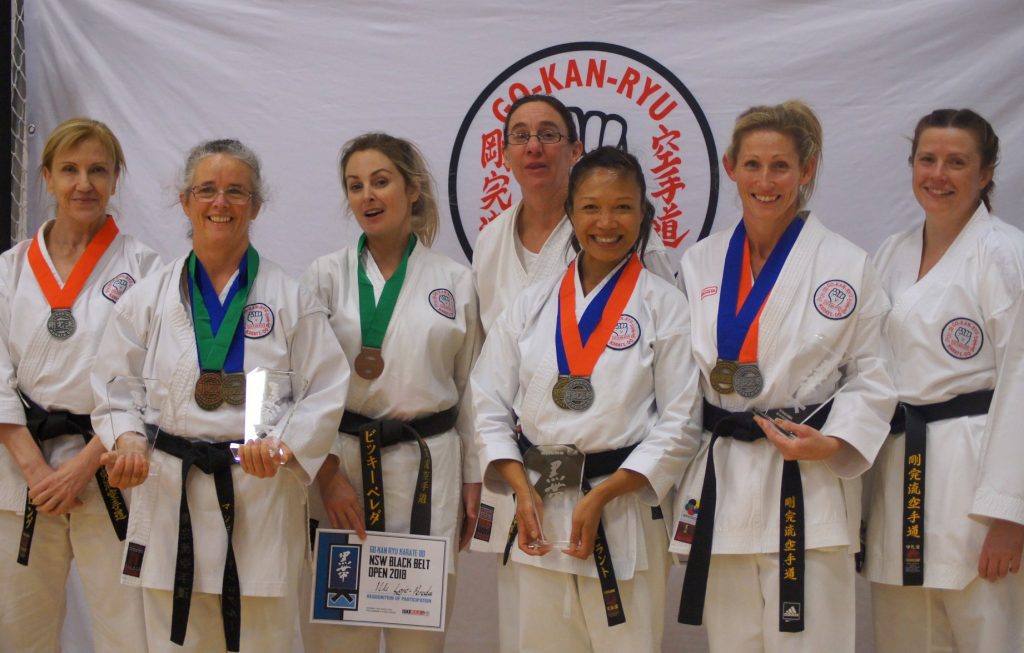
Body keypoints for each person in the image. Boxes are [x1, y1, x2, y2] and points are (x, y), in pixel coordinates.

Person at [91, 139, 347, 653]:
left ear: (255, 205)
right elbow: (114, 387)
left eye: (236, 191)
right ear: (185, 201)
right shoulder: (148, 297)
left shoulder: (290, 297)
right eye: (207, 190)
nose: (220, 203)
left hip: (258, 494)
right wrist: (129, 442)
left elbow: (324, 389)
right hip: (169, 496)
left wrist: (282, 445)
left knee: (259, 639)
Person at [669, 101, 896, 652]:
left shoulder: (846, 263)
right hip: (722, 481)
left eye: (781, 166)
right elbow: (676, 381)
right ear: (730, 167)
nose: (765, 182)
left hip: (807, 483)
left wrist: (836, 442)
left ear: (807, 170)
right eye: (752, 165)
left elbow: (875, 372)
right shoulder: (699, 261)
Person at [468, 93, 678, 651]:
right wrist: (516, 482)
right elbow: (486, 397)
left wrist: (606, 491)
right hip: (537, 504)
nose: (606, 223)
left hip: (623, 505)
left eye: (622, 208)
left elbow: (681, 420)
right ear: (571, 212)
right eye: (590, 208)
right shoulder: (533, 302)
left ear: (643, 215)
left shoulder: (664, 302)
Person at [299, 133, 482, 653]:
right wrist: (327, 474)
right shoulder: (324, 276)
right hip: (343, 472)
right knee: (338, 637)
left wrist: (474, 481)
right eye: (355, 186)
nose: (367, 196)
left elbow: (471, 388)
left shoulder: (455, 281)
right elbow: (303, 391)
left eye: (381, 182)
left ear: (414, 190)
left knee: (417, 638)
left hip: (430, 471)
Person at [864, 109, 1024, 652]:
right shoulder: (892, 252)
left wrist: (1009, 513)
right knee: (905, 634)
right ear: (911, 166)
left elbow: (1022, 381)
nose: (939, 174)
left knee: (988, 630)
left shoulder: (1003, 253)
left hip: (974, 477)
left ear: (986, 174)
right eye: (927, 159)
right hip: (899, 471)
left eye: (957, 163)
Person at [0, 117, 160, 652]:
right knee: (20, 631)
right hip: (22, 474)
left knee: (126, 632)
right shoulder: (10, 269)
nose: (83, 183)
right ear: (47, 177)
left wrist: (82, 466)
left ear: (116, 180)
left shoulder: (146, 270)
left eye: (98, 170)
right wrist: (35, 469)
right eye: (69, 169)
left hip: (110, 470)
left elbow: (150, 378)